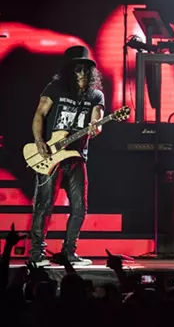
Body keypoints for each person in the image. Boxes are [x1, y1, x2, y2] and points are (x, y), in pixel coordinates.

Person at [29, 45, 105, 266]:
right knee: (44, 205)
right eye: (76, 69)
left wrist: (96, 128)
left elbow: (97, 122)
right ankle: (37, 254)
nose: (80, 73)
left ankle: (69, 253)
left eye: (84, 69)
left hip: (76, 156)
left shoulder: (96, 95)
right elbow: (39, 114)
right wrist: (39, 141)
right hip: (52, 155)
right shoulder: (56, 88)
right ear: (69, 70)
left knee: (80, 207)